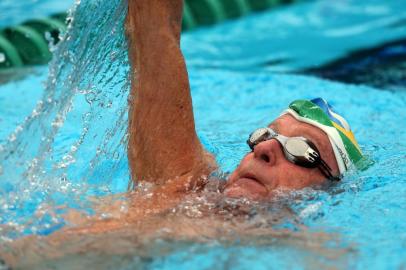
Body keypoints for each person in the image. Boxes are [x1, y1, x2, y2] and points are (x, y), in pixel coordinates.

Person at [125, 0, 364, 205]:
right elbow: (153, 31)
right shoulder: (187, 191)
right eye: (266, 135)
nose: (263, 149)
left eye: (302, 150)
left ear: (332, 191)